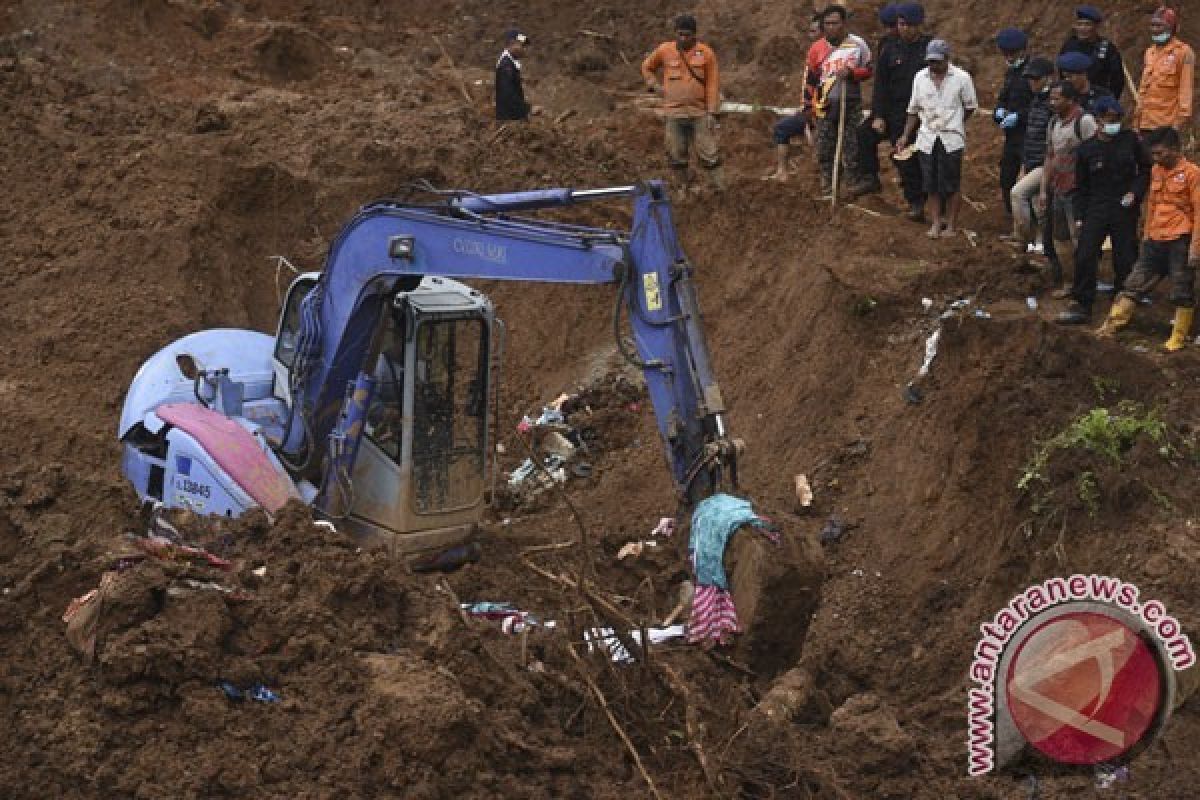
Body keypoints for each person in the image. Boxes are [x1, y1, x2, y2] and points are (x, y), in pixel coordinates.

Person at [1098, 127, 1200, 350]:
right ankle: (1112, 324)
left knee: (1181, 289)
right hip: (1155, 238)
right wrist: (1145, 234)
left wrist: (1195, 248)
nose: (1156, 158)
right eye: (1153, 154)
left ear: (1175, 149)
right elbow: (1152, 205)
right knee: (1134, 283)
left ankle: (1179, 337)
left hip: (1180, 239)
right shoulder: (1156, 171)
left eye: (1160, 153)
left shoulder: (1192, 174)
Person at [1057, 97, 1152, 324]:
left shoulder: (1130, 141)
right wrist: (1080, 217)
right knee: (1086, 254)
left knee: (1125, 256)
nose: (1114, 124)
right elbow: (1081, 187)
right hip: (1096, 207)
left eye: (1117, 119)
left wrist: (1135, 193)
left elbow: (1145, 170)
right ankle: (1082, 303)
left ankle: (1125, 303)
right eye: (1110, 119)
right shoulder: (1086, 150)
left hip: (1124, 207)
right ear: (1098, 121)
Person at [849, 2, 931, 215]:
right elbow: (881, 86)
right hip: (891, 110)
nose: (904, 29)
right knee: (864, 133)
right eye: (901, 24)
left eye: (909, 25)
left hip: (918, 113)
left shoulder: (929, 49)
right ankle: (869, 177)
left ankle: (916, 201)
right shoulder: (890, 49)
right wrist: (878, 115)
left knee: (904, 154)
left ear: (919, 25)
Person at [899, 38, 978, 238]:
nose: (933, 66)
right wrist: (906, 135)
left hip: (951, 139)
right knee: (930, 184)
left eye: (937, 62)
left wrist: (955, 123)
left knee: (951, 184)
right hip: (927, 138)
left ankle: (951, 225)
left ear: (947, 59)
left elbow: (970, 107)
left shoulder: (961, 78)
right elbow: (913, 110)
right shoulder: (920, 78)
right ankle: (935, 223)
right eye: (931, 62)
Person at [642, 15, 725, 190]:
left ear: (694, 35)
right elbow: (647, 66)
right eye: (680, 34)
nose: (683, 38)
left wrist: (712, 112)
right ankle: (683, 189)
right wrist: (653, 85)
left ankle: (720, 190)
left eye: (687, 35)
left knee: (709, 153)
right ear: (675, 33)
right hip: (674, 113)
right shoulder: (665, 50)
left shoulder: (706, 53)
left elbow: (712, 84)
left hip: (699, 113)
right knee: (676, 154)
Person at [805, 5, 873, 196]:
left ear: (844, 24)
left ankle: (852, 185)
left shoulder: (858, 45)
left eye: (835, 23)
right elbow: (810, 79)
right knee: (825, 147)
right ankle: (828, 185)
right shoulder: (817, 49)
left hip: (850, 102)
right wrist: (808, 106)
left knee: (852, 146)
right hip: (824, 105)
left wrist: (853, 73)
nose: (831, 27)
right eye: (827, 24)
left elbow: (869, 70)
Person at [1038, 81, 1097, 294]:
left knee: (1078, 238)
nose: (1053, 103)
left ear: (1071, 100)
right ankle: (1069, 283)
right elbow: (1050, 157)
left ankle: (1084, 285)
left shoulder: (1084, 122)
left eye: (1057, 99)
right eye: (1051, 98)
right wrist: (1044, 190)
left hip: (1078, 191)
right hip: (1059, 188)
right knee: (1060, 238)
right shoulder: (1053, 123)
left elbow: (1096, 155)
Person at [764, 14, 822, 182]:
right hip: (809, 110)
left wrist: (812, 115)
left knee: (821, 146)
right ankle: (782, 171)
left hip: (819, 112)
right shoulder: (813, 53)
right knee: (782, 129)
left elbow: (821, 88)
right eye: (809, 31)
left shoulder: (825, 57)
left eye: (814, 31)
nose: (810, 35)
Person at [1010, 57, 1056, 251]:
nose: (1032, 83)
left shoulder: (1053, 103)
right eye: (1030, 79)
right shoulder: (1036, 101)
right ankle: (1039, 243)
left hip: (1045, 162)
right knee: (1038, 205)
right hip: (1032, 160)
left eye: (1036, 79)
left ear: (1048, 78)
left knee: (1018, 193)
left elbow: (1052, 140)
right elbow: (1030, 137)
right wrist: (1023, 165)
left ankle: (1023, 238)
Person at [1132, 7, 1195, 136]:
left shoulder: (1183, 52)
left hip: (1166, 126)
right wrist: (1136, 122)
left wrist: (1178, 124)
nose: (1154, 30)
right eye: (1152, 25)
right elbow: (1143, 90)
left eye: (1159, 26)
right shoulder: (1150, 52)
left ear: (1171, 28)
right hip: (1145, 123)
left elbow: (1185, 90)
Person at [994, 28, 1035, 224]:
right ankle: (1015, 221)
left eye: (1013, 53)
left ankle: (1032, 226)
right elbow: (1003, 98)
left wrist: (1020, 116)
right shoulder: (1011, 73)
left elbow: (1040, 106)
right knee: (1007, 178)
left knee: (1029, 182)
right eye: (1005, 53)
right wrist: (999, 111)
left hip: (1031, 135)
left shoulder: (1033, 73)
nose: (1009, 57)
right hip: (1012, 136)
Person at [1059, 6, 1125, 100]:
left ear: (1096, 26)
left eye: (1087, 24)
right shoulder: (1069, 46)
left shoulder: (1107, 49)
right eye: (1080, 24)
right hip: (1073, 100)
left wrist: (1109, 101)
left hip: (1098, 99)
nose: (1083, 28)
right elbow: (1062, 74)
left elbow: (1117, 80)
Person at [496, 30, 532, 122]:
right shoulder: (506, 65)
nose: (525, 49)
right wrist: (527, 109)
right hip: (509, 120)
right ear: (512, 43)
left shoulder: (510, 64)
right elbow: (508, 94)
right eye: (522, 45)